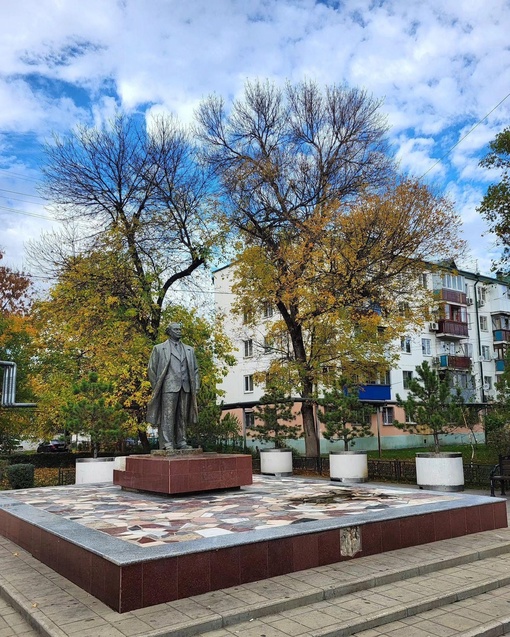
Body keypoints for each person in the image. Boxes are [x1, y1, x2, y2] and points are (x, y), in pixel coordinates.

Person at [146, 323, 199, 450]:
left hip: (185, 386)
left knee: (182, 416)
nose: (179, 331)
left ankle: (182, 442)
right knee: (167, 416)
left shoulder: (189, 350)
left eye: (180, 329)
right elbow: (151, 369)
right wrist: (157, 385)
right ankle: (167, 443)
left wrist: (196, 386)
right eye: (176, 329)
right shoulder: (159, 348)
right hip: (168, 387)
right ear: (169, 332)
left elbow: (195, 370)